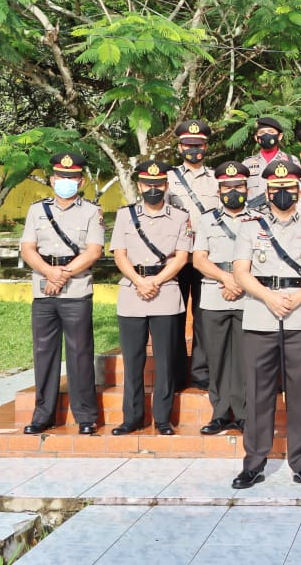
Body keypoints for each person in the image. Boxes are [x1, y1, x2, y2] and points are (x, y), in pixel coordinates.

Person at [231, 161, 301, 490]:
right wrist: (269, 297)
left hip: (300, 316)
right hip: (261, 313)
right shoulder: (249, 227)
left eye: (289, 187)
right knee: (258, 392)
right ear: (268, 192)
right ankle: (254, 462)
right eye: (276, 188)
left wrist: (298, 298)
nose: (283, 193)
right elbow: (241, 272)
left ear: (298, 190)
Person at [18, 152, 105, 436]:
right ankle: (43, 415)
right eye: (61, 178)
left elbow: (94, 251)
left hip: (76, 290)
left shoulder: (91, 212)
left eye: (72, 178)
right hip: (43, 291)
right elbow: (27, 248)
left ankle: (86, 417)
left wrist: (62, 274)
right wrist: (49, 273)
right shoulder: (37, 210)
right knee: (44, 354)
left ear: (80, 182)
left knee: (80, 354)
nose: (66, 182)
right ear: (53, 180)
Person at [109, 160, 192, 436]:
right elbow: (119, 254)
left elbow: (181, 257)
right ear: (140, 186)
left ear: (166, 186)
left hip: (165, 290)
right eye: (147, 184)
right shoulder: (125, 215)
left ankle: (163, 418)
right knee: (133, 361)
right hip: (132, 292)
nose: (153, 189)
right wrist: (139, 281)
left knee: (166, 361)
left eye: (158, 184)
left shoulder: (180, 217)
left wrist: (155, 281)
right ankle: (132, 418)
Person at [192, 161, 253, 435]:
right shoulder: (206, 220)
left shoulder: (258, 219)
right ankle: (219, 412)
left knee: (242, 358)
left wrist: (238, 281)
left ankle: (241, 413)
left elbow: (260, 259)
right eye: (227, 187)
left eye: (238, 186)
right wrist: (227, 279)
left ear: (247, 188)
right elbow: (199, 259)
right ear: (219, 191)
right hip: (214, 295)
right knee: (215, 358)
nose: (233, 191)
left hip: (247, 297)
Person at [167, 119, 220, 391]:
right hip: (176, 259)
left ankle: (201, 374)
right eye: (188, 145)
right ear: (180, 147)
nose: (193, 150)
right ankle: (176, 375)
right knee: (174, 317)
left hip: (205, 258)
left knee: (203, 317)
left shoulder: (216, 179)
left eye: (198, 146)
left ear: (206, 147)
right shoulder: (167, 178)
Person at [242, 116, 300, 208]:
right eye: (262, 133)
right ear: (256, 138)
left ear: (280, 136)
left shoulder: (291, 161)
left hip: (281, 214)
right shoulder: (247, 164)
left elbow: (297, 191)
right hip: (254, 216)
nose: (266, 135)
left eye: (271, 132)